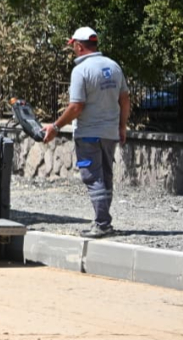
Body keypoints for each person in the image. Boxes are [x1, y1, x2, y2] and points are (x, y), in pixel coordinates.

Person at [42, 26, 130, 239]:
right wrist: (121, 126)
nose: (73, 49)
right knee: (106, 177)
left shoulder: (81, 71)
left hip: (88, 134)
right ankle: (104, 222)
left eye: (73, 46)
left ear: (79, 46)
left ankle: (102, 224)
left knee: (93, 178)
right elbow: (125, 98)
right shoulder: (113, 66)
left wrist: (54, 127)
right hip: (109, 134)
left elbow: (76, 107)